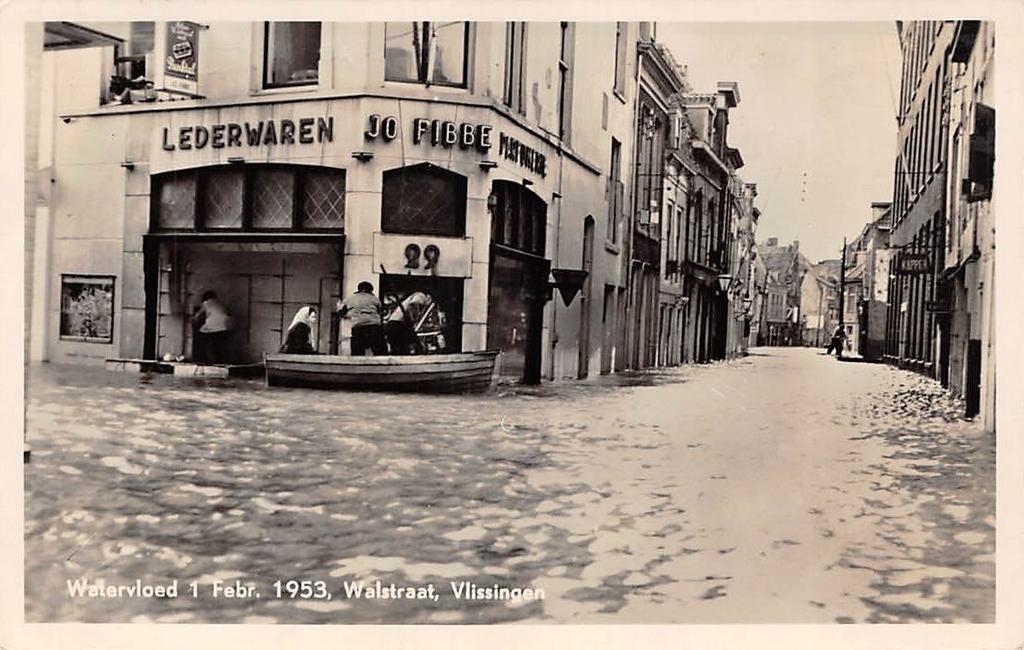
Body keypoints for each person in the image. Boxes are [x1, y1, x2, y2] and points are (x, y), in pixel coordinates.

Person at [337, 282, 387, 356]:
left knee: (357, 352)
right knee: (380, 352)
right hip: (374, 326)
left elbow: (341, 312)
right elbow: (380, 311)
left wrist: (346, 315)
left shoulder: (350, 298)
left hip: (358, 326)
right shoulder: (374, 298)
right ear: (371, 290)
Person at [191, 290, 233, 363]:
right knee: (219, 345)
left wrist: (193, 319)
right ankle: (222, 361)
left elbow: (198, 315)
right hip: (226, 326)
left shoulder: (206, 303)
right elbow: (227, 313)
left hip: (213, 324)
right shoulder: (220, 303)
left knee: (200, 338)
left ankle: (201, 359)